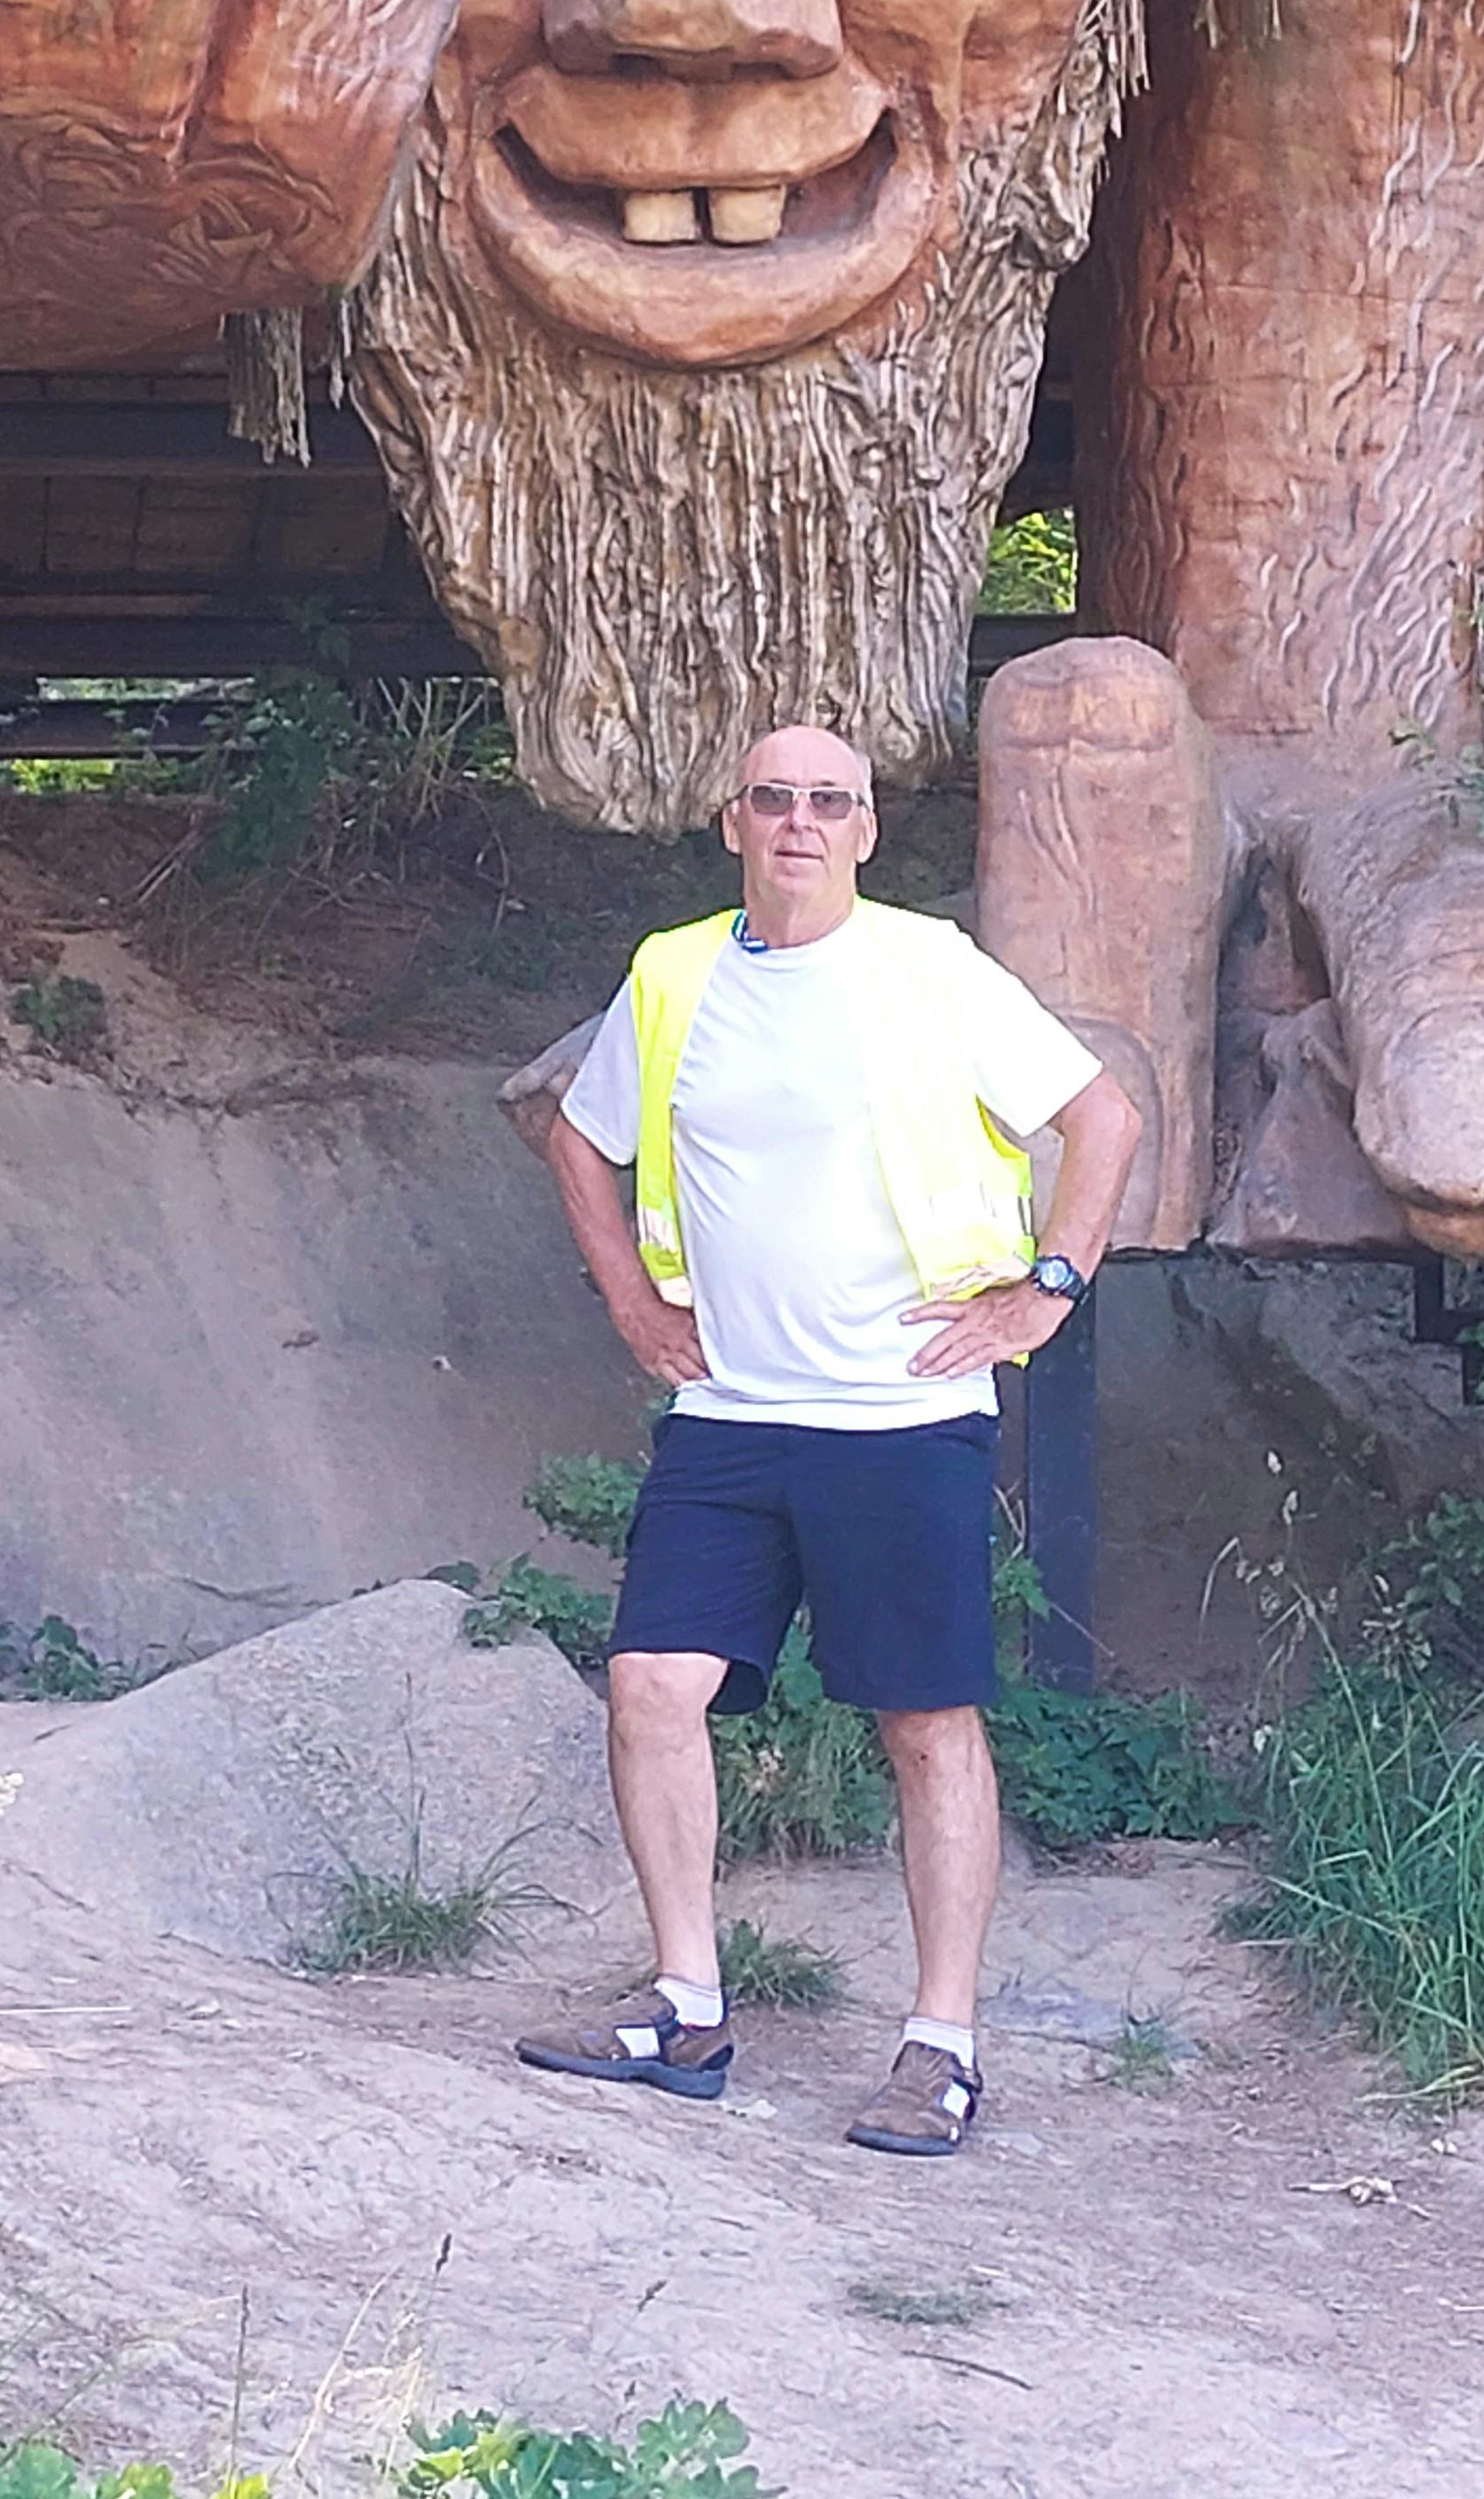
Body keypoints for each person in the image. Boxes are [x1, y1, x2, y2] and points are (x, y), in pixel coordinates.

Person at [513, 721, 1142, 2154]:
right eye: (775, 798)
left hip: (901, 1418)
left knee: (925, 1723)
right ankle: (685, 2005)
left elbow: (1100, 1115)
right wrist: (626, 1296)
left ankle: (942, 2045)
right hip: (729, 1416)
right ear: (733, 821)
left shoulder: (932, 971)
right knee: (652, 1689)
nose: (800, 822)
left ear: (866, 831)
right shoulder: (673, 974)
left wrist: (1050, 1287)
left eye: (830, 802)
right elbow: (576, 1134)